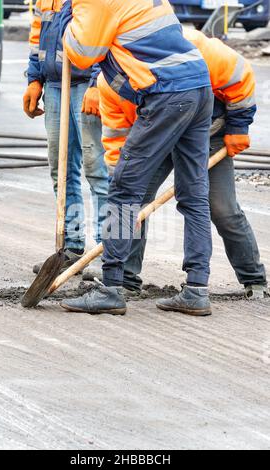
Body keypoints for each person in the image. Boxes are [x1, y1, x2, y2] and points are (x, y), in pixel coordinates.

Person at [60, 0, 214, 316]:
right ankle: (197, 290)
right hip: (197, 87)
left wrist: (67, 14)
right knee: (194, 194)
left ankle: (112, 288)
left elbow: (82, 52)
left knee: (122, 190)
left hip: (167, 94)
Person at [94, 28, 268, 306]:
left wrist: (239, 125)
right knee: (133, 203)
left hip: (205, 131)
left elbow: (240, 73)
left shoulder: (192, 46)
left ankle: (253, 278)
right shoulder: (111, 84)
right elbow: (117, 139)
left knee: (221, 207)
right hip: (155, 134)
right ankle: (125, 279)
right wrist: (122, 180)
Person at [23, 0, 108, 279]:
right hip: (55, 85)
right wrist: (34, 80)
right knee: (60, 171)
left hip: (86, 85)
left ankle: (109, 253)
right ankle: (70, 246)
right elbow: (37, 40)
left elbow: (107, 35)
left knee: (97, 170)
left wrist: (98, 83)